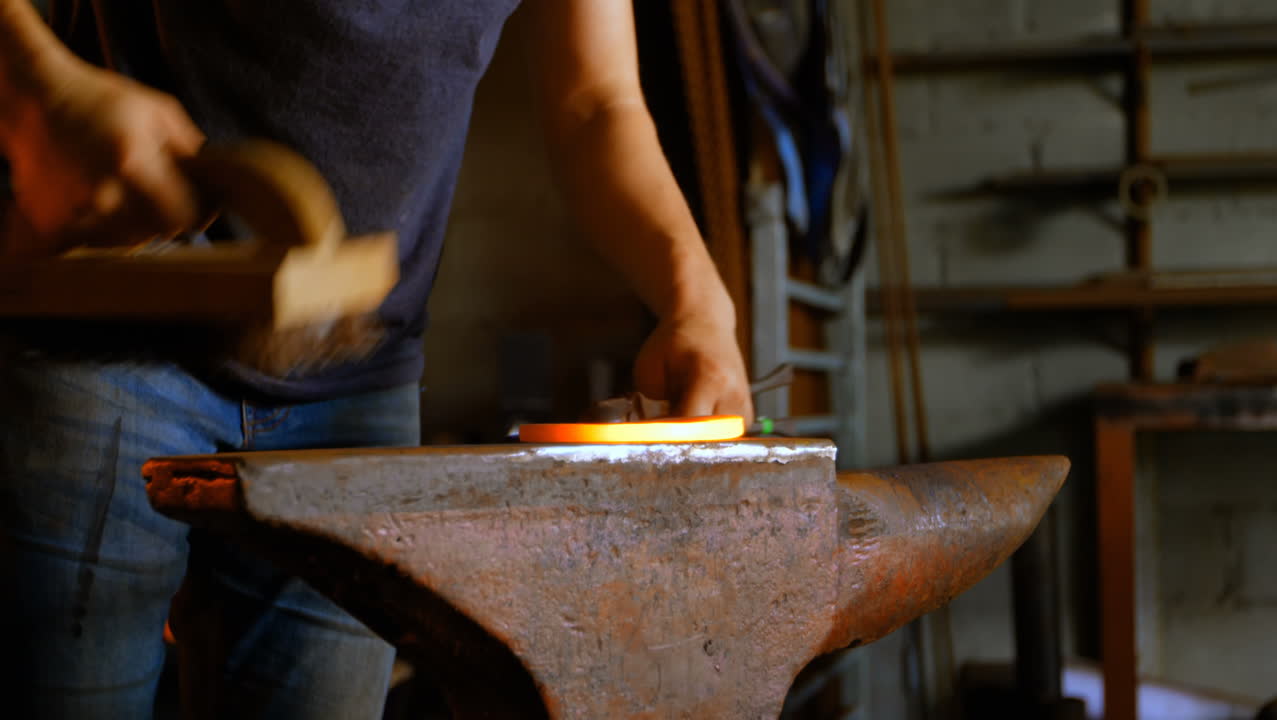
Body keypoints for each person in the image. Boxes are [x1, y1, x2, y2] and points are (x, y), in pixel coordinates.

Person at [0, 0, 754, 717]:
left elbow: (598, 103)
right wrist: (35, 90)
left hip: (355, 384)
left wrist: (696, 304)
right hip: (109, 331)